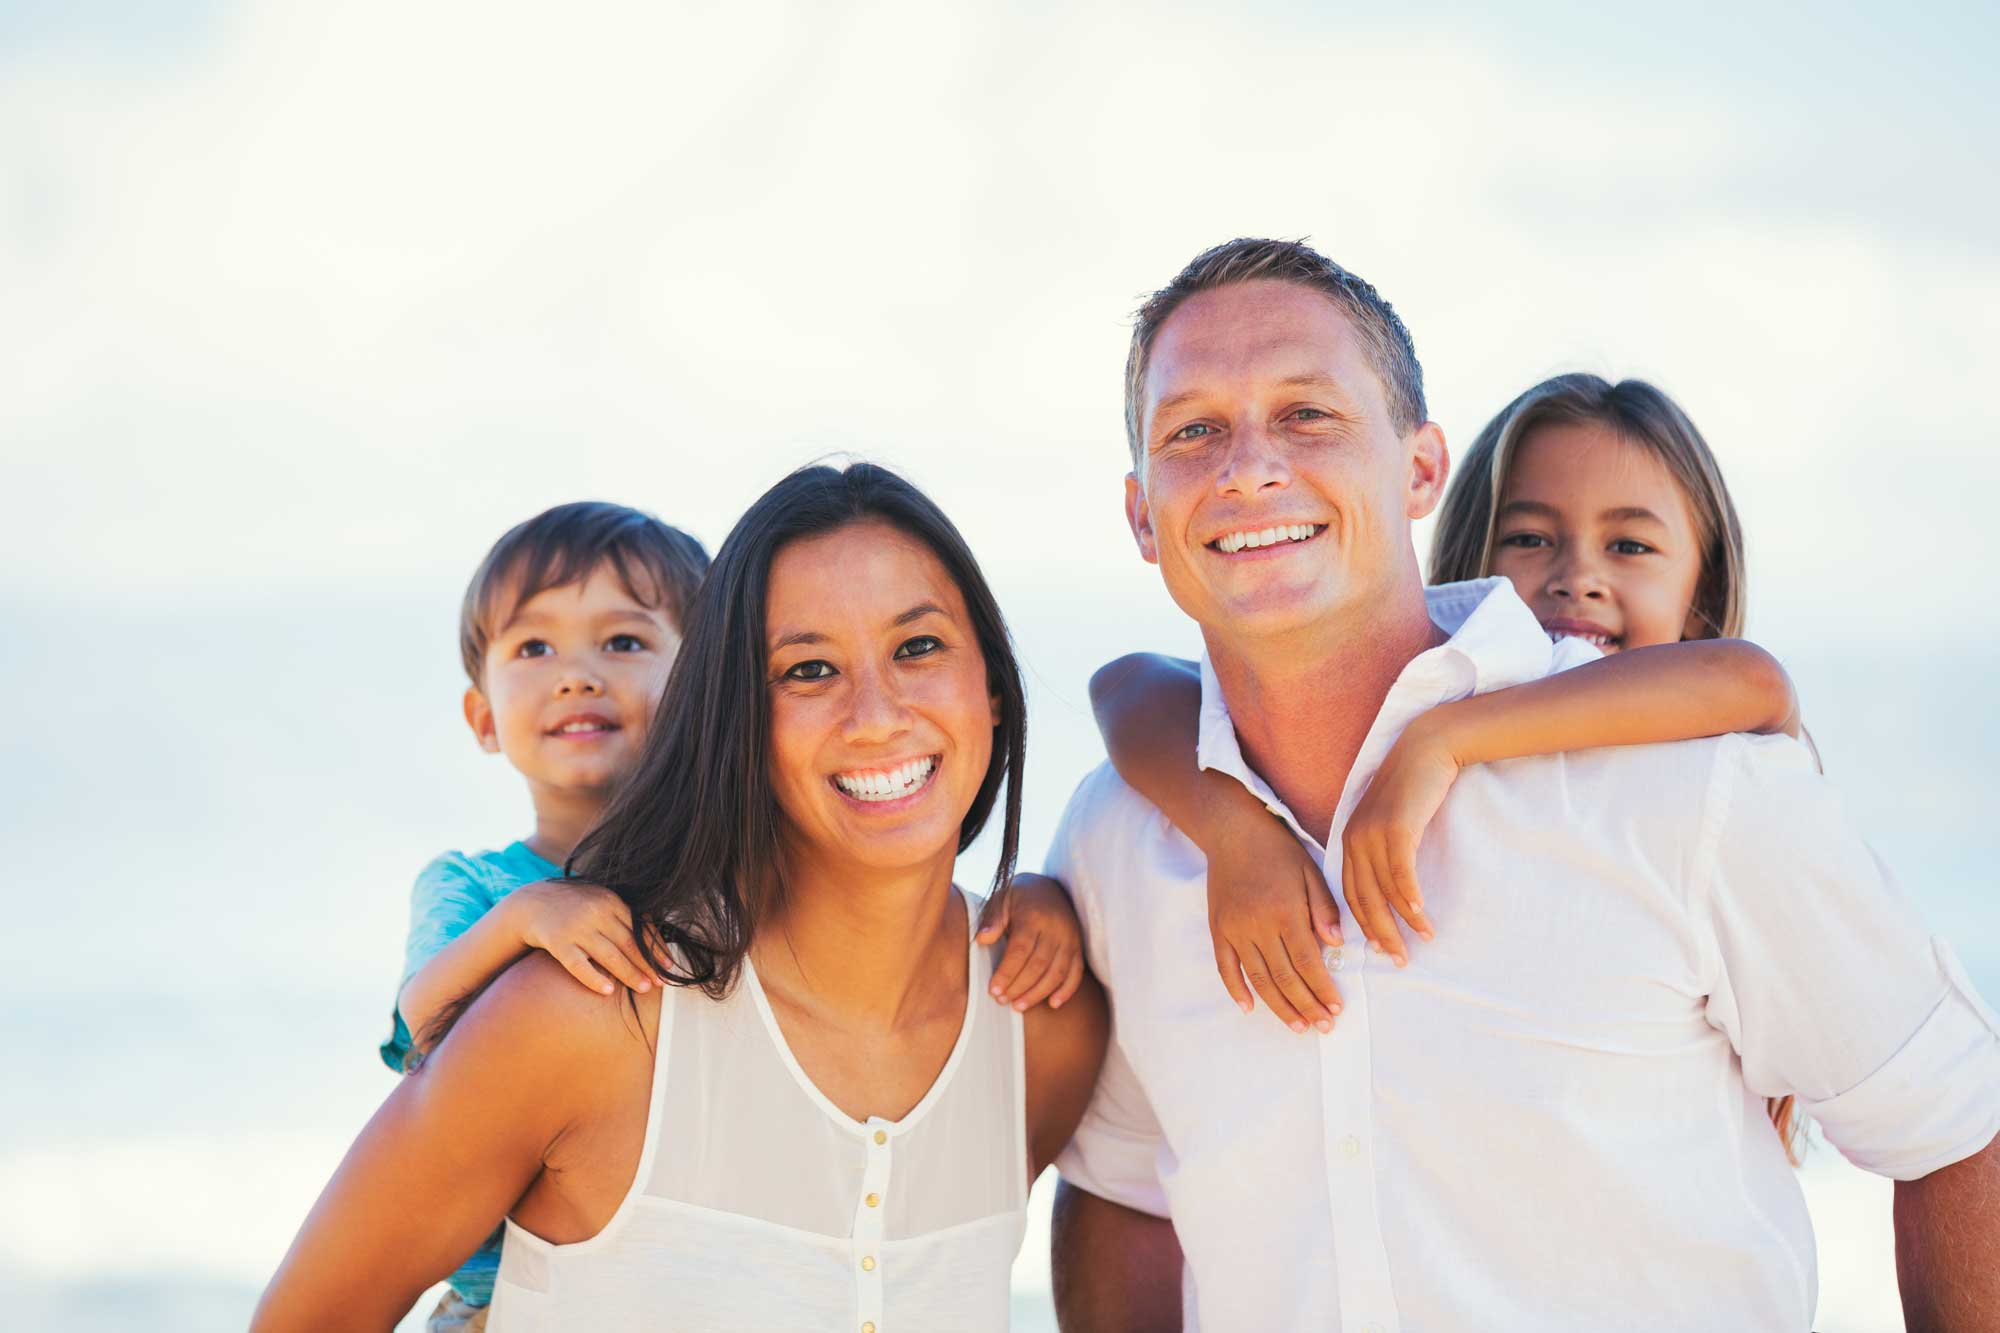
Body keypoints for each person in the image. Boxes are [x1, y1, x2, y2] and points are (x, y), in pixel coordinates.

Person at [1048, 237, 2000, 1331]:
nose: (1246, 464)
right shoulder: (1119, 835)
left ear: (1418, 469)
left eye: (1306, 413)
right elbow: (1122, 1188)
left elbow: (1950, 1127)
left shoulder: (1692, 789)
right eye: (1192, 429)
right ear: (1138, 513)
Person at [257, 465, 1105, 1332]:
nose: (877, 713)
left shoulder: (1046, 1024)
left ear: (994, 688)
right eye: (808, 668)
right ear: (733, 716)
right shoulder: (584, 1013)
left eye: (919, 647)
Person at [1086, 372, 1808, 1154]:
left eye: (1629, 545)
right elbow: (1127, 684)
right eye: (1530, 538)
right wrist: (1232, 827)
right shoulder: (1401, 716)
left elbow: (1757, 679)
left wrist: (1446, 740)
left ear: (1702, 585)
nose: (1578, 575)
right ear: (1472, 559)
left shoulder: (1714, 766)